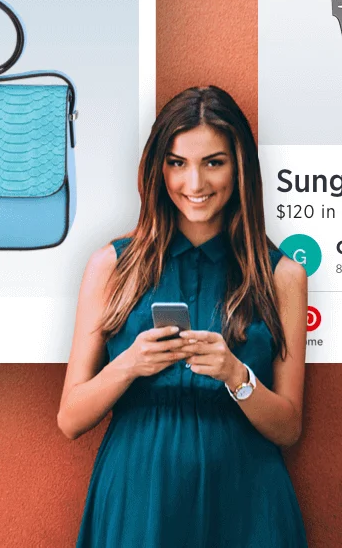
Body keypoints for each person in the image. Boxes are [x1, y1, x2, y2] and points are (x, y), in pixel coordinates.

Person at [58, 85, 309, 547]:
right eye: (177, 163)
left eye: (214, 162)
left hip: (245, 500)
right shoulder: (112, 266)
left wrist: (238, 376)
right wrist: (130, 364)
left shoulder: (282, 276)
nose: (195, 184)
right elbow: (70, 418)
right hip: (137, 498)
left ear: (240, 167)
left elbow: (289, 427)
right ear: (159, 169)